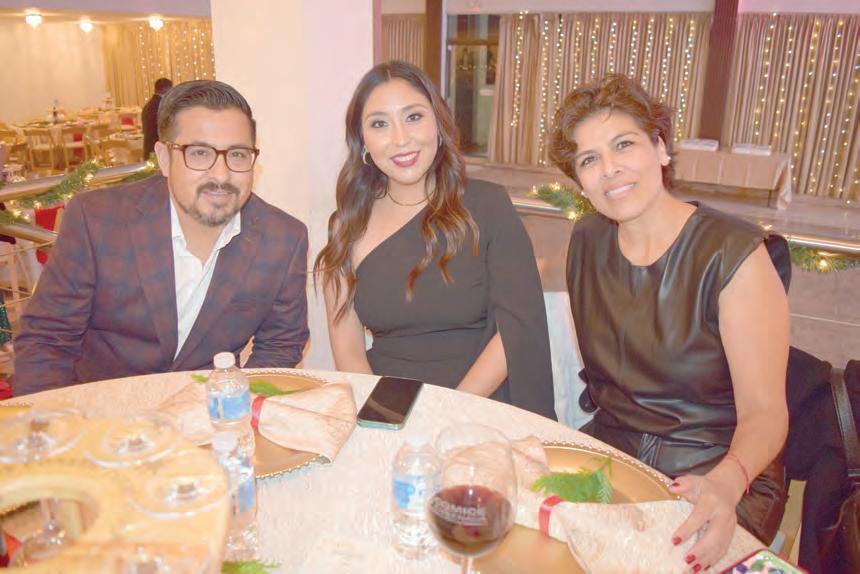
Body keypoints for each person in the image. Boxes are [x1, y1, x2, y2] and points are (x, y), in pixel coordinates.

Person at [550, 74, 789, 571]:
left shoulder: (733, 254)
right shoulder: (586, 240)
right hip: (616, 452)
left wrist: (727, 482)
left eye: (624, 145)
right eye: (589, 159)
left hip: (720, 470)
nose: (609, 169)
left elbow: (767, 414)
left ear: (660, 148)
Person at [13, 80, 309, 396]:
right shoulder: (98, 220)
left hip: (206, 412)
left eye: (237, 154)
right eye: (199, 153)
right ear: (164, 158)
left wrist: (235, 403)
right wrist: (51, 423)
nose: (221, 175)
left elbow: (280, 342)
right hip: (103, 412)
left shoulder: (283, 239)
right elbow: (48, 339)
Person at [314, 61, 555, 420]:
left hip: (480, 405)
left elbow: (516, 329)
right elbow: (349, 352)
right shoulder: (345, 226)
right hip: (388, 408)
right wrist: (381, 419)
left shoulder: (488, 205)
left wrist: (448, 413)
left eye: (413, 117)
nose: (400, 139)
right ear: (362, 141)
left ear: (438, 125)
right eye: (379, 124)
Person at [142, 77, 173, 158]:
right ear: (167, 89)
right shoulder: (161, 106)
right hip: (157, 150)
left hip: (150, 147)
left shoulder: (150, 104)